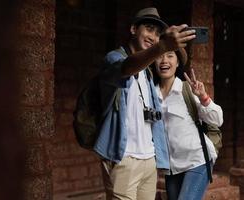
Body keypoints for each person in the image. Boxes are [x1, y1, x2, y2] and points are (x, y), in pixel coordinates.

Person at [92, 7, 196, 200]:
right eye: (148, 29)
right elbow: (125, 68)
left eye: (157, 34)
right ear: (133, 29)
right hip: (123, 157)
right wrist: (162, 46)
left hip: (149, 159)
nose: (153, 37)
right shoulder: (114, 58)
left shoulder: (148, 72)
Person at [152, 50, 223, 200]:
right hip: (171, 168)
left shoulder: (186, 89)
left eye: (170, 56)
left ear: (177, 63)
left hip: (197, 160)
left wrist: (203, 97)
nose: (164, 60)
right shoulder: (151, 94)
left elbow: (217, 119)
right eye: (159, 56)